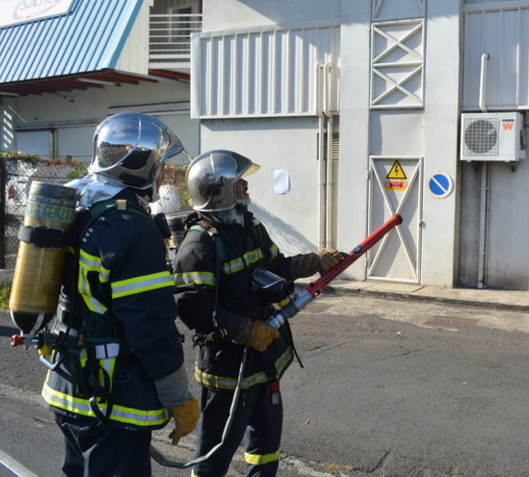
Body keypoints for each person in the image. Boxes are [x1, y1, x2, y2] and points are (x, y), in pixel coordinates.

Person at [39, 112, 200, 476]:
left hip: (67, 381)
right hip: (112, 396)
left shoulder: (79, 203)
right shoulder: (131, 228)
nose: (162, 177)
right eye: (159, 168)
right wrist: (178, 397)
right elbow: (150, 325)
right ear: (141, 170)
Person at [171, 150, 342, 477]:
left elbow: (276, 267)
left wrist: (311, 262)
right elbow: (193, 308)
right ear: (220, 191)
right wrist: (245, 330)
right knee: (214, 454)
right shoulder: (198, 245)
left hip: (264, 361)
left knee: (265, 448)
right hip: (229, 367)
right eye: (239, 182)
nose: (246, 186)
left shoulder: (250, 226)